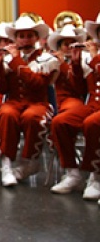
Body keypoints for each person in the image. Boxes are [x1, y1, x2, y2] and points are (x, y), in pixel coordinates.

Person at [0, 14, 58, 187]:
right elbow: (3, 88)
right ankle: (6, 164)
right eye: (21, 36)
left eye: (29, 35)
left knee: (32, 117)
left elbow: (37, 84)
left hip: (38, 103)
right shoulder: (10, 59)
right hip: (14, 102)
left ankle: (30, 162)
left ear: (36, 38)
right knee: (6, 114)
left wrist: (15, 61)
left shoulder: (48, 60)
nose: (25, 39)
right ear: (16, 39)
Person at [49, 13, 100, 202]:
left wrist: (94, 57)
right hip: (95, 104)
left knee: (92, 124)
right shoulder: (92, 55)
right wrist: (77, 65)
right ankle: (73, 173)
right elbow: (81, 89)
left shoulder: (95, 56)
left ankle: (95, 175)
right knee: (60, 121)